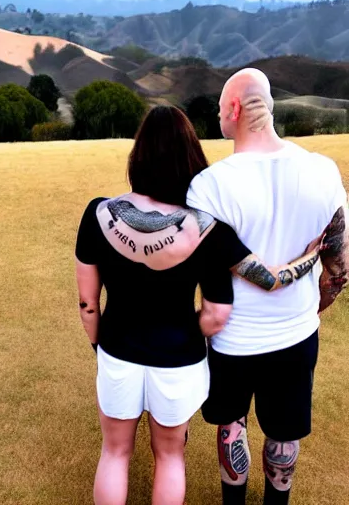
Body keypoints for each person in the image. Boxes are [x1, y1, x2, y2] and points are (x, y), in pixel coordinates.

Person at [75, 105, 320, 505]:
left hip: (118, 350)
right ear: (191, 156)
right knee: (170, 456)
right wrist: (311, 258)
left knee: (115, 453)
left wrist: (99, 345)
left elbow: (88, 304)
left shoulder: (98, 213)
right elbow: (236, 300)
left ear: (138, 155)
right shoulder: (208, 226)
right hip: (180, 358)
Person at [186, 68, 349, 505]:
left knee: (232, 425)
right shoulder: (323, 171)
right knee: (284, 431)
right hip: (296, 334)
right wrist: (311, 308)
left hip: (233, 339)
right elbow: (340, 267)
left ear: (234, 110)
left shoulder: (208, 187)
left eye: (221, 109)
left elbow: (231, 265)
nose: (220, 116)